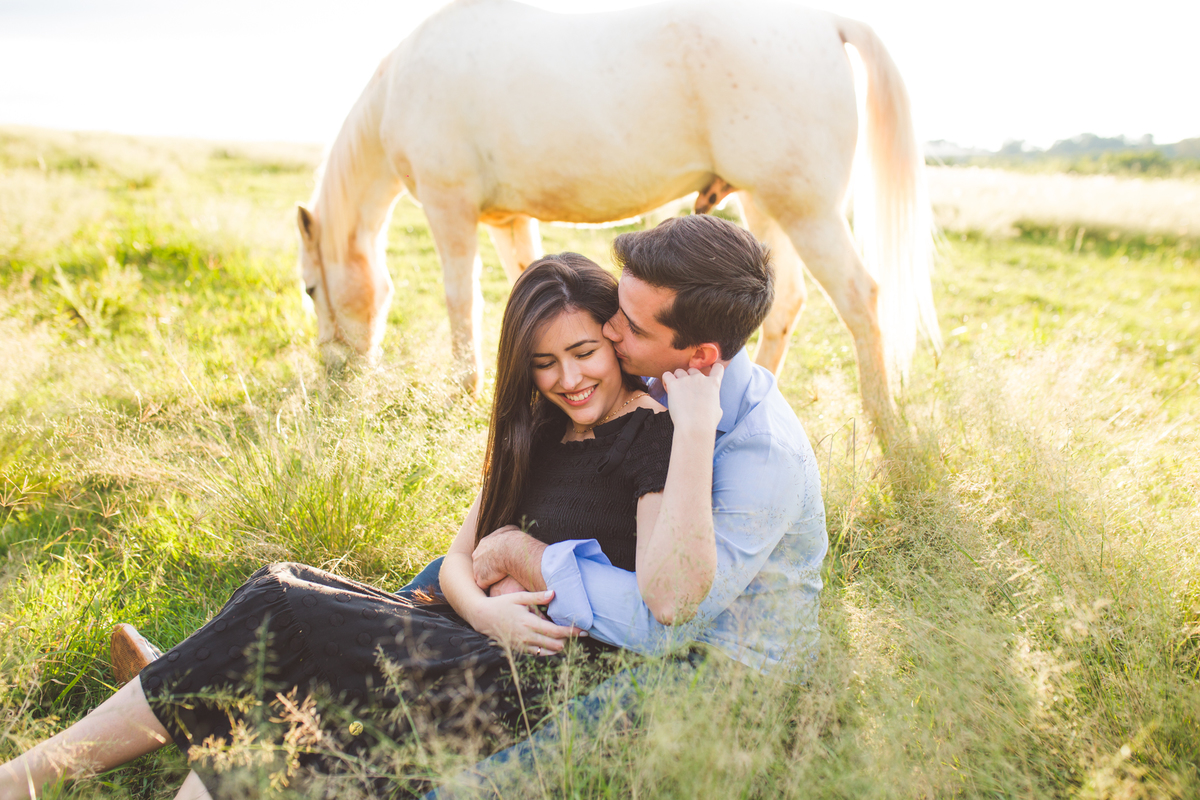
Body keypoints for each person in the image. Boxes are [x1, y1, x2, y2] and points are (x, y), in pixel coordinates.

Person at [0, 253, 725, 800]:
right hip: (472, 634)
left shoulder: (649, 438)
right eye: (544, 363)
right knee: (292, 694)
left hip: (540, 675)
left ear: (614, 341)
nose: (568, 378)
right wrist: (482, 608)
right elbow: (456, 561)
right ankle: (164, 704)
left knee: (284, 601)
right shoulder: (537, 428)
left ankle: (64, 756)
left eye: (584, 353)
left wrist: (694, 432)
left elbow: (665, 590)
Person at [408, 214, 828, 797]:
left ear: (700, 353)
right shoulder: (659, 375)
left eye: (628, 325)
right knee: (426, 598)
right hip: (639, 621)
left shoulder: (762, 458)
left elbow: (667, 622)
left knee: (486, 788)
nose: (609, 329)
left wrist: (527, 556)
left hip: (717, 669)